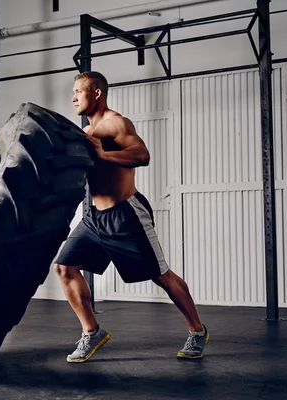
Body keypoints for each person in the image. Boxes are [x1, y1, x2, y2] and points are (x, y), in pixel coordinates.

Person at [54, 71, 209, 363]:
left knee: (161, 276)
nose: (73, 97)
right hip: (94, 217)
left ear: (97, 92)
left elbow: (142, 154)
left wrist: (105, 156)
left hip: (126, 213)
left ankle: (197, 331)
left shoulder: (116, 123)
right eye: (73, 92)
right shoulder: (85, 134)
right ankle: (92, 332)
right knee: (64, 267)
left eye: (78, 91)